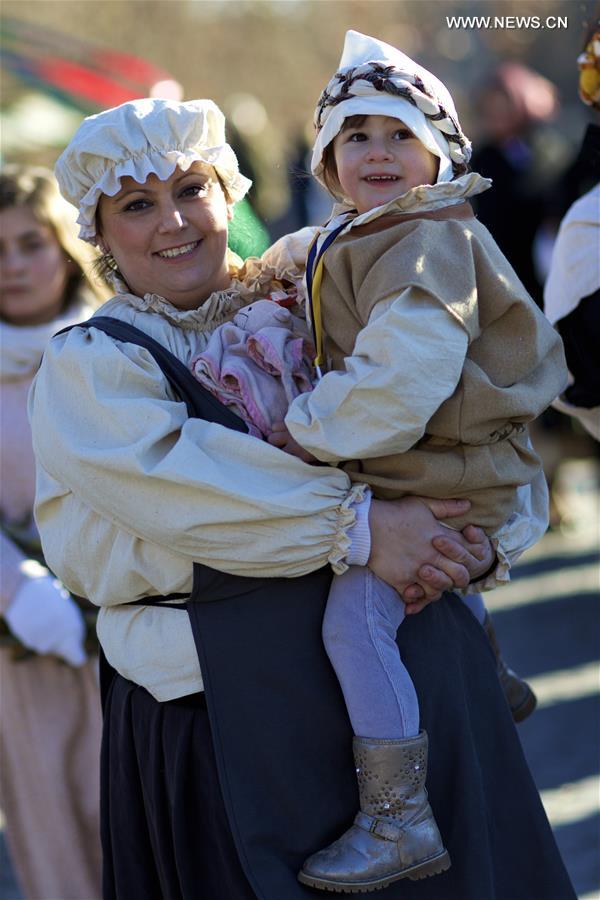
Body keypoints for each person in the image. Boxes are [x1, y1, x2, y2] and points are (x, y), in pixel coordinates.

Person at [28, 98, 575, 900]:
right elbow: (193, 491)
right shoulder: (94, 365)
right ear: (99, 234)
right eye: (138, 205)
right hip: (230, 715)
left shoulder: (312, 282)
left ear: (230, 193)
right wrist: (361, 526)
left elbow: (468, 396)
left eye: (192, 189)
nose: (174, 221)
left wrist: (482, 533)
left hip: (419, 677)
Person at [249, 31, 568, 892]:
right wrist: (253, 278)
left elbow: (402, 380)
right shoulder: (366, 234)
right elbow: (305, 257)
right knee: (423, 584)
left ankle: (399, 817)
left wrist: (306, 428)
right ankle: (487, 673)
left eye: (399, 135)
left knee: (353, 623)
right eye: (356, 137)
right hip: (443, 469)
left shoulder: (428, 246)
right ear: (327, 162)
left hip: (452, 472)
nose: (379, 152)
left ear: (438, 153)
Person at [0, 165, 106, 900]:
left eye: (29, 243)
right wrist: (16, 590)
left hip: (137, 642)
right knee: (55, 840)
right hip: (21, 653)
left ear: (64, 246)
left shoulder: (120, 341)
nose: (11, 265)